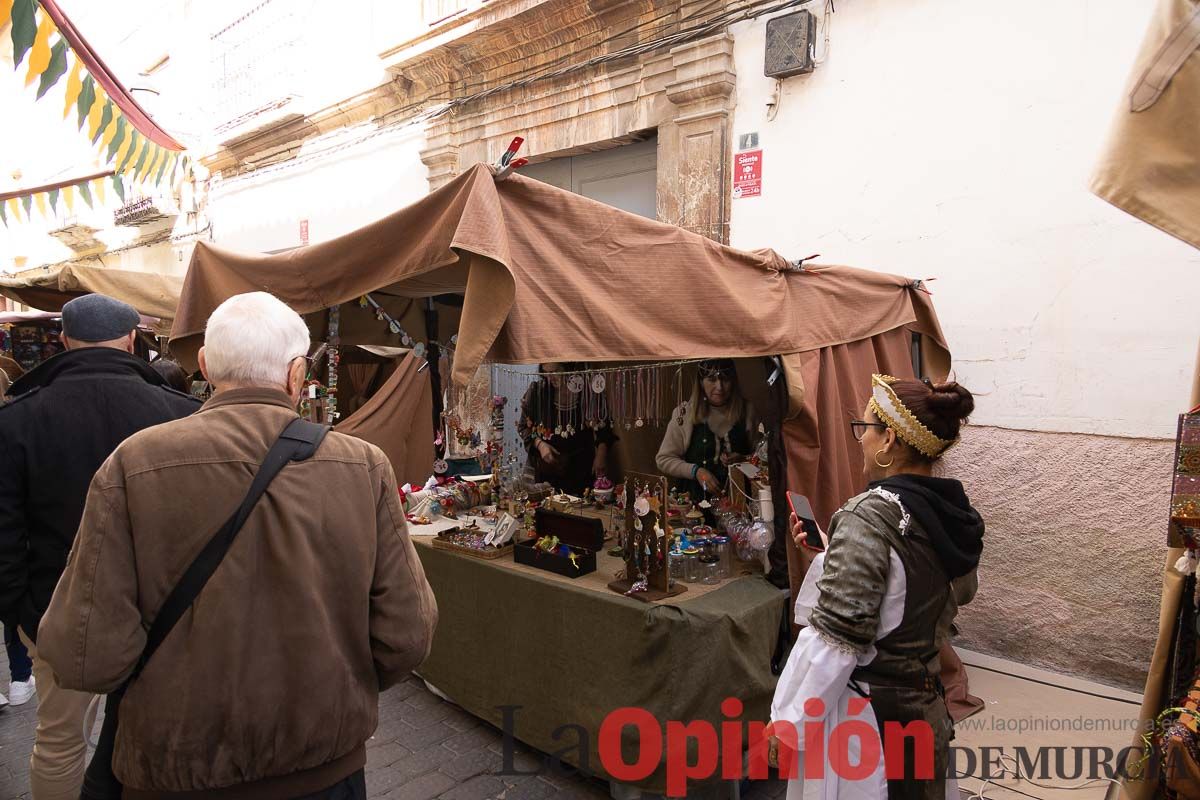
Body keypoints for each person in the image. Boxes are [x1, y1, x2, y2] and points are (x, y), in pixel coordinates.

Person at [38, 291, 439, 799]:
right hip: (325, 771)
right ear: (298, 375)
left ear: (204, 365)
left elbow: (85, 654)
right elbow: (407, 634)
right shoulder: (364, 465)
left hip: (174, 771)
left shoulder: (134, 463)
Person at [0, 294, 200, 800]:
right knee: (162, 736)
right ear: (132, 339)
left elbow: (4, 535)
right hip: (164, 613)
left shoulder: (17, 419)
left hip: (57, 609)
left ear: (64, 341)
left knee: (60, 742)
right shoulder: (183, 414)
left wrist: (24, 616)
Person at [769, 374, 983, 799]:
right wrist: (833, 559)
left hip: (866, 728)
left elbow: (837, 640)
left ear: (889, 441)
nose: (860, 440)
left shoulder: (868, 516)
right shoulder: (951, 515)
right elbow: (933, 591)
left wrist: (789, 724)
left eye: (864, 428)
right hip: (924, 712)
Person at [656, 358, 756, 501]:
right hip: (694, 503)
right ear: (701, 382)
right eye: (711, 379)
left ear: (733, 381)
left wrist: (744, 459)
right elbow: (663, 459)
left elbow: (761, 458)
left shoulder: (747, 411)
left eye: (725, 380)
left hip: (740, 503)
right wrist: (696, 471)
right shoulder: (685, 413)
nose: (719, 387)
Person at [518, 362, 616, 495]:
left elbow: (604, 427)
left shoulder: (588, 391)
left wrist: (601, 454)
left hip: (580, 466)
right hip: (547, 468)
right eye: (546, 372)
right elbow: (524, 427)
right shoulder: (538, 391)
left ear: (569, 368)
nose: (550, 377)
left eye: (555, 372)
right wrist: (540, 445)